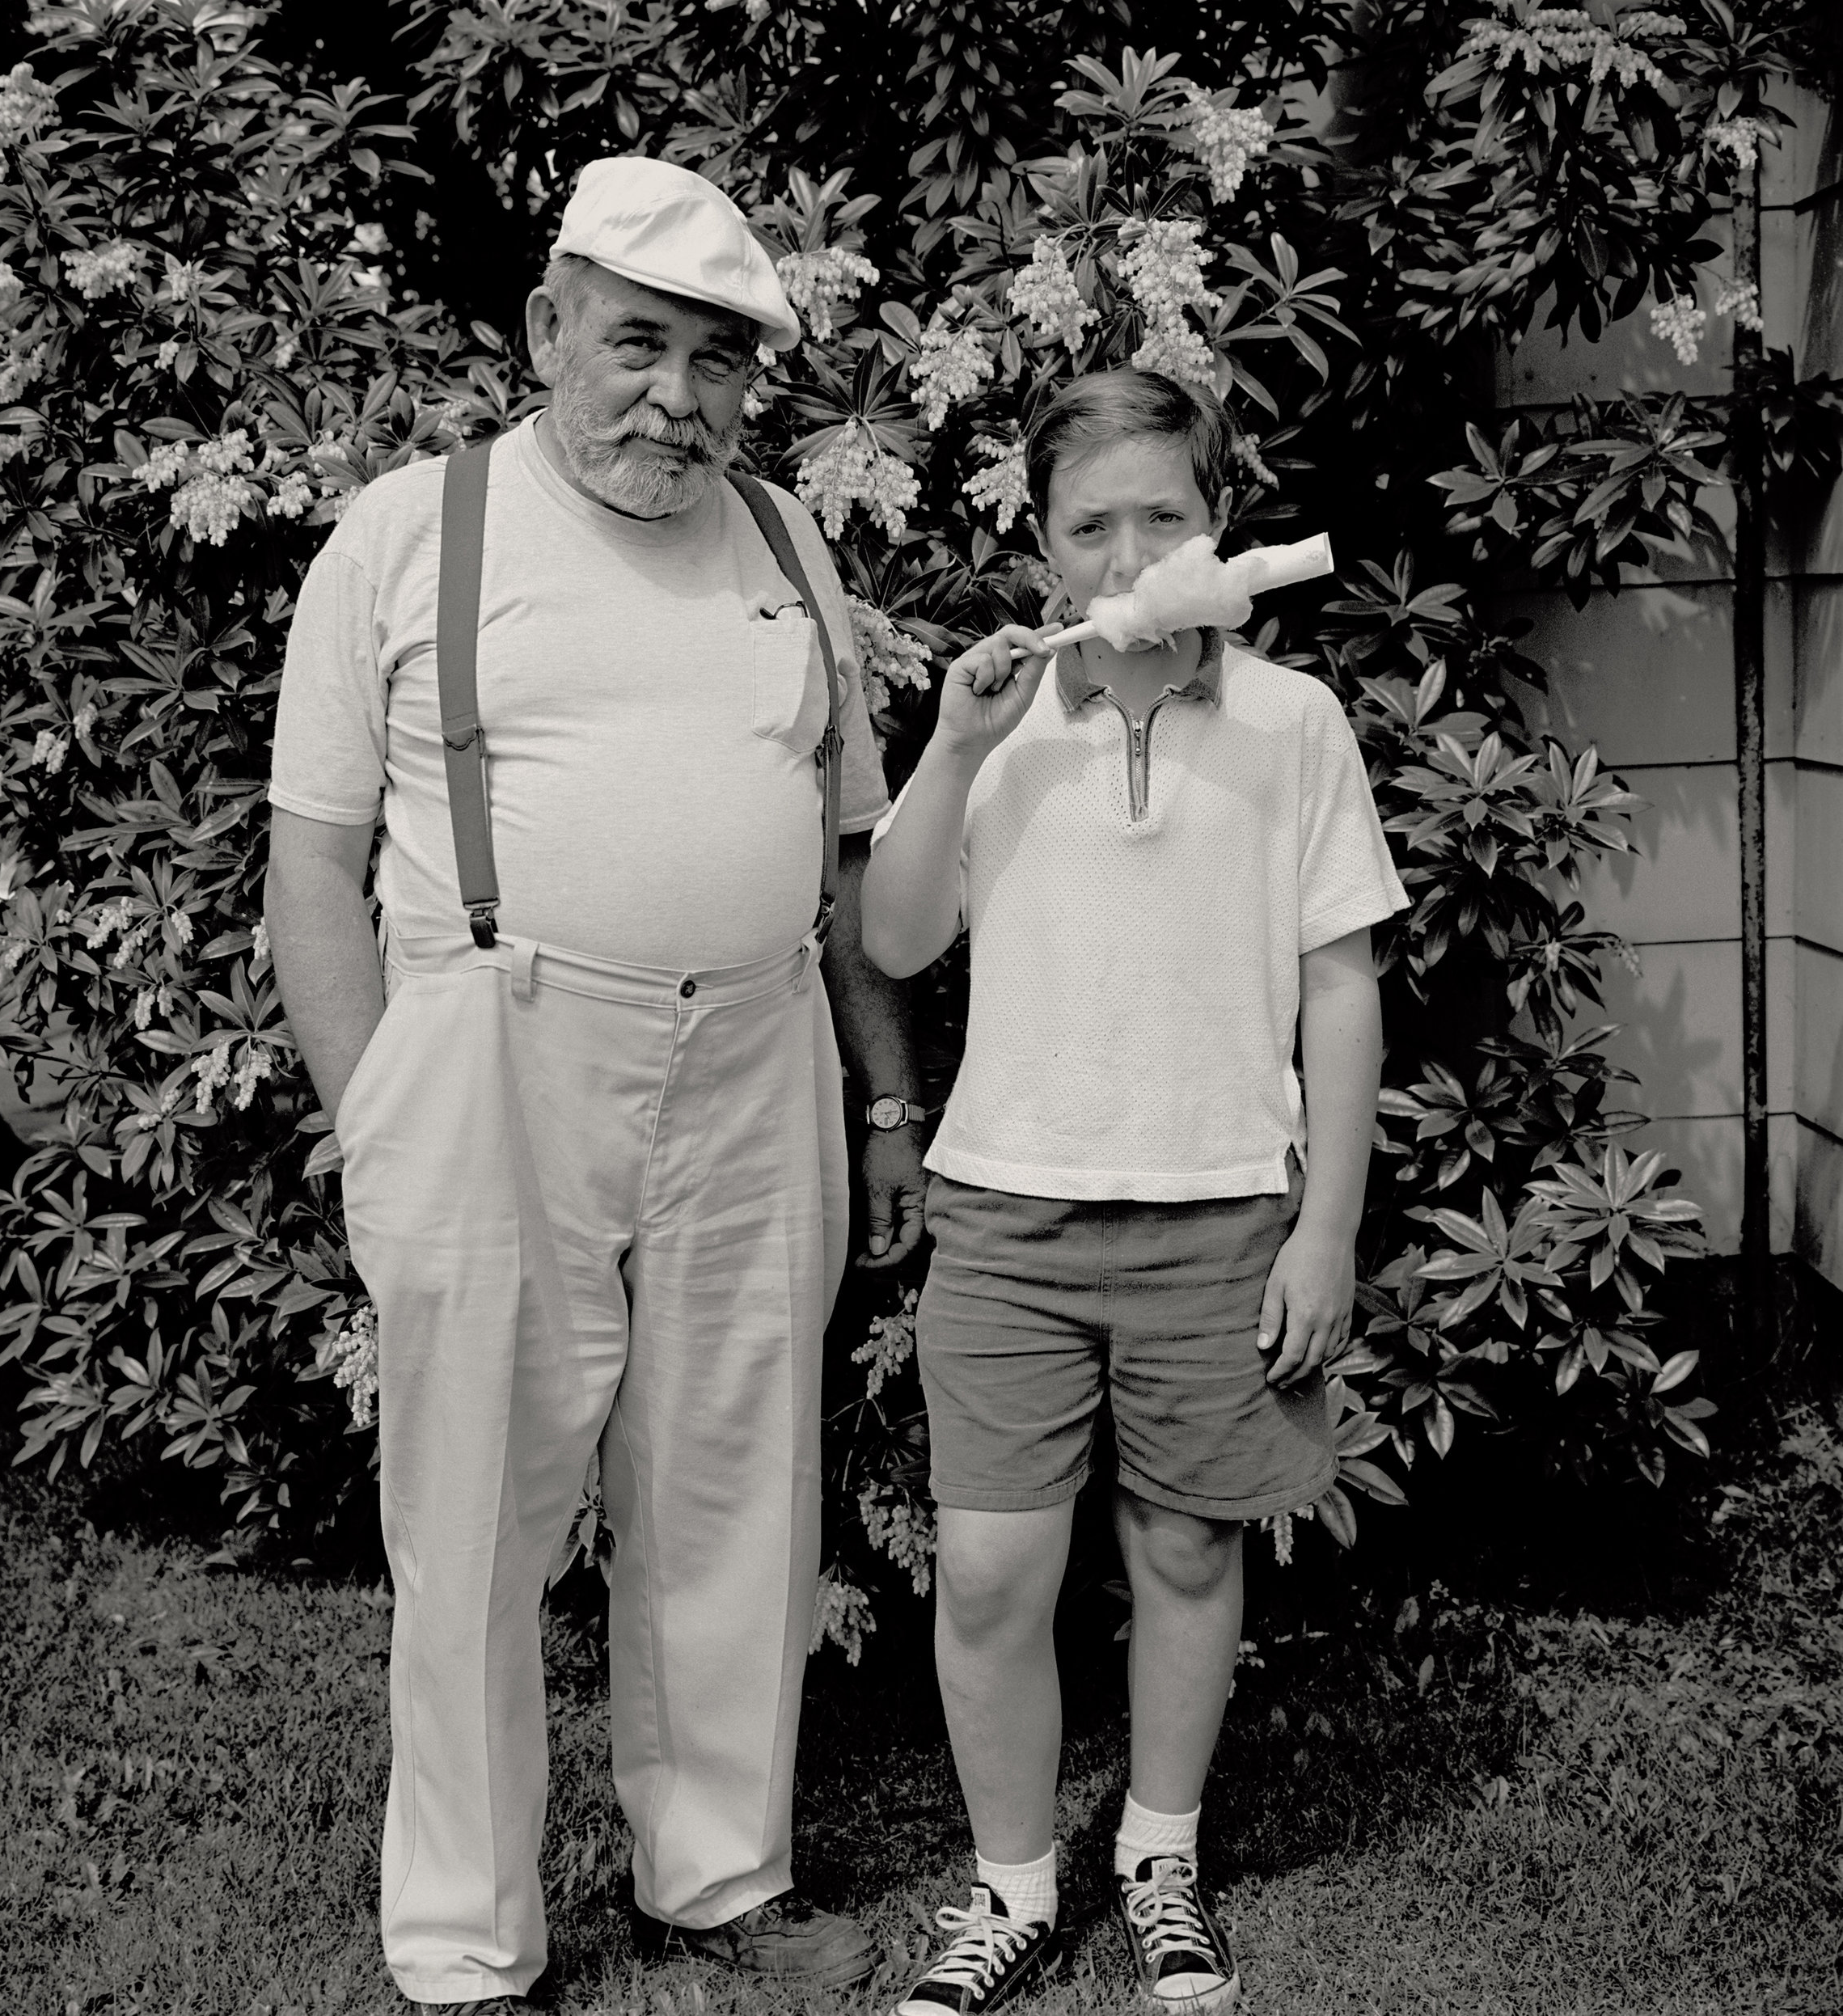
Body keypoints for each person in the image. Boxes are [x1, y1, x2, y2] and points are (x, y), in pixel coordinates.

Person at [264, 155, 928, 2010]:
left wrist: (884, 1103)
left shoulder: (793, 545)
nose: (676, 399)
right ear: (547, 328)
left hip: (757, 1048)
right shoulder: (407, 535)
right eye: (637, 344)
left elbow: (850, 855)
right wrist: (376, 1115)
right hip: (494, 1052)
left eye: (718, 364)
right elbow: (309, 867)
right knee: (471, 1505)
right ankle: (466, 1937)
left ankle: (717, 1872)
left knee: (733, 1479)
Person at [860, 366, 1405, 2014]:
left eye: (1158, 514)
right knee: (991, 1571)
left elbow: (1339, 985)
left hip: (1217, 1208)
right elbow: (887, 938)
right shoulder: (994, 720)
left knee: (1182, 1553)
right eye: (1087, 523)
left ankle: (1155, 1856)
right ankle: (1011, 1883)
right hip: (1007, 1217)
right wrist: (953, 751)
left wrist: (1325, 1228)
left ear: (1216, 526)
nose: (1124, 550)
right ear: (1038, 546)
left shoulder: (1291, 723)